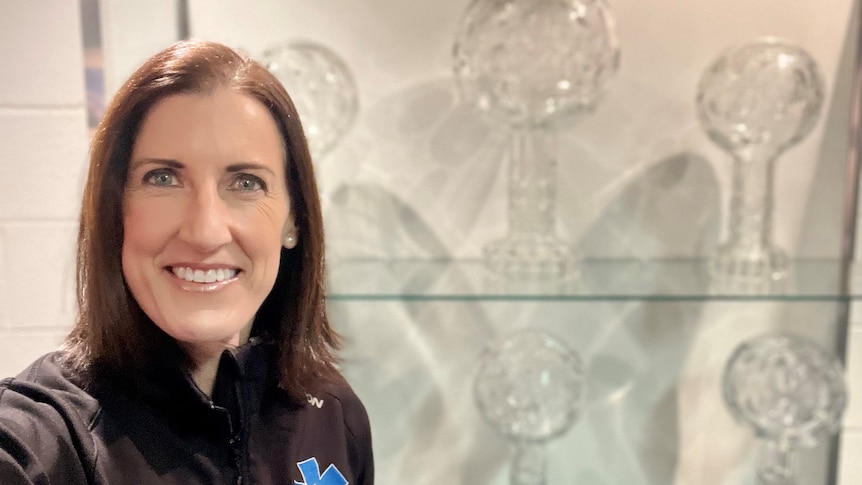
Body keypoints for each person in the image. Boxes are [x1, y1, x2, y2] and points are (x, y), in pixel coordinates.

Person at [0, 40, 373, 484]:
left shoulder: (333, 414)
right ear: (116, 210)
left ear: (293, 219)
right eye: (163, 178)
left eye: (246, 182)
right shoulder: (48, 438)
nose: (205, 231)